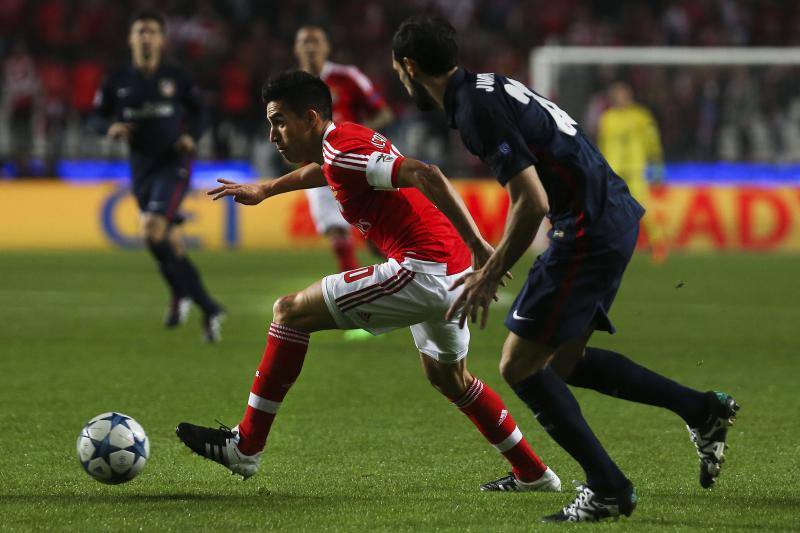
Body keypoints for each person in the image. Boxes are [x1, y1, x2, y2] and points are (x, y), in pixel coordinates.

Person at [390, 14, 739, 522]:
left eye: (400, 73)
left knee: (519, 365)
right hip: (609, 213)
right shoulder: (489, 86)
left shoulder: (474, 110)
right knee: (564, 363)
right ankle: (701, 410)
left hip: (588, 229)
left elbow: (529, 200)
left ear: (409, 67)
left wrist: (487, 273)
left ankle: (608, 488)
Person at [175, 71, 560, 493]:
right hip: (451, 271)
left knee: (289, 312)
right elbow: (324, 171)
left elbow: (426, 173)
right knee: (450, 379)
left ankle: (246, 446)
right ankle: (533, 472)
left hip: (422, 270)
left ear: (309, 117)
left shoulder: (342, 150)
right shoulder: (342, 139)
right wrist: (267, 189)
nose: (272, 135)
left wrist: (482, 245)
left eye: (279, 121)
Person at [90, 11, 224, 342]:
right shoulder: (117, 79)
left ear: (162, 40)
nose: (146, 37)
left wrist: (192, 134)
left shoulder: (176, 77)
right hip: (141, 167)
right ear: (131, 39)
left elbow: (201, 112)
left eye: (152, 32)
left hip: (174, 162)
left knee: (151, 230)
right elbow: (94, 118)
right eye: (141, 32)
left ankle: (196, 301)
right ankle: (206, 309)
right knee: (170, 244)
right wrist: (110, 127)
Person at [294, 25, 394, 273]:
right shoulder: (291, 86)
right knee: (336, 232)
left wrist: (355, 134)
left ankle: (405, 273)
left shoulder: (347, 76)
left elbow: (383, 113)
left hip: (352, 162)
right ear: (296, 49)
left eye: (315, 41)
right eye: (305, 42)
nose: (310, 47)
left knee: (374, 236)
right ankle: (352, 291)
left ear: (327, 47)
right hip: (315, 167)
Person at [598, 82, 668, 263]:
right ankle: (610, 247)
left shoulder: (641, 116)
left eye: (622, 94)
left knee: (641, 208)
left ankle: (658, 245)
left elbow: (653, 141)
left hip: (635, 170)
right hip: (613, 171)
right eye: (616, 94)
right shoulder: (607, 118)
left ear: (629, 95)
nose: (619, 98)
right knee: (608, 210)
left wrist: (658, 167)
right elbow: (602, 144)